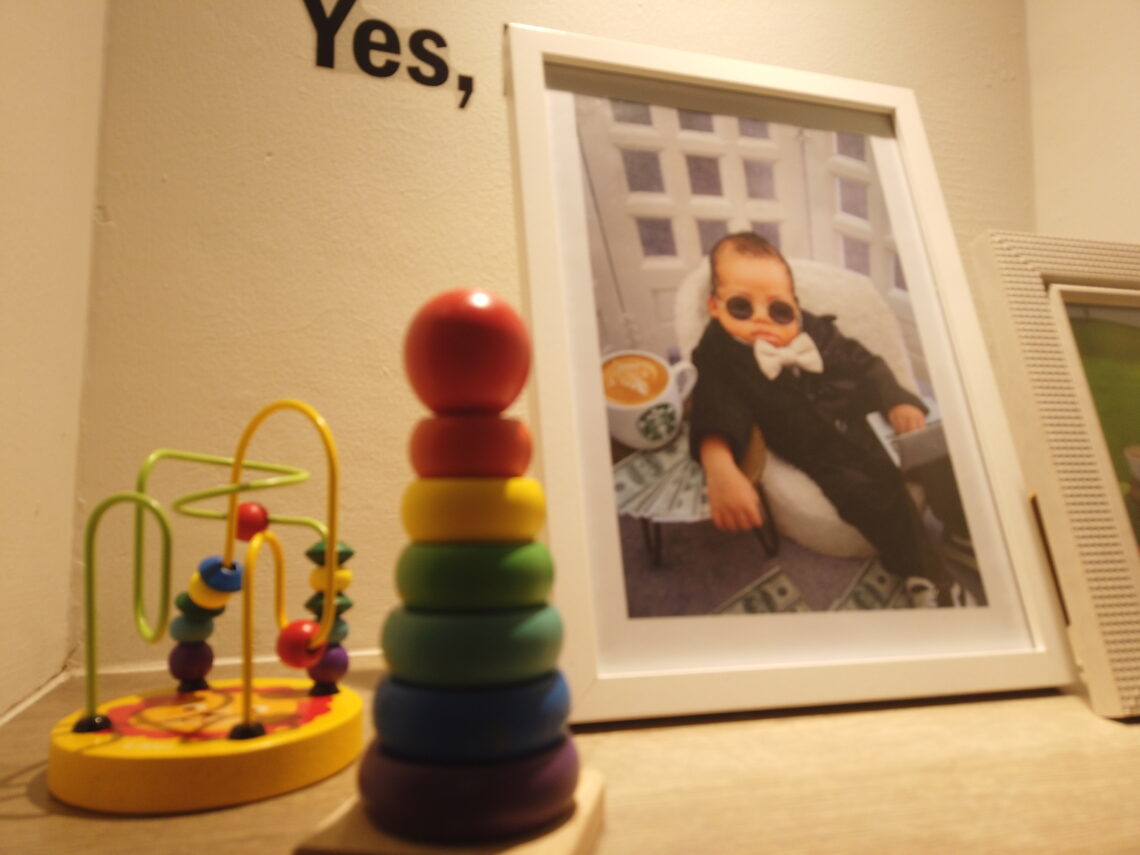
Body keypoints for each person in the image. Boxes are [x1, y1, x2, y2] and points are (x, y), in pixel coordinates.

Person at [688, 232, 978, 606]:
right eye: (742, 307)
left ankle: (960, 532)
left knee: (942, 453)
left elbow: (864, 362)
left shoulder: (813, 328)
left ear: (794, 304)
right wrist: (719, 465)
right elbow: (715, 401)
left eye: (778, 311)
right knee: (877, 498)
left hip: (868, 417)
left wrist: (896, 402)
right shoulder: (718, 354)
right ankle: (924, 574)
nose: (763, 321)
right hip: (821, 449)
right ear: (715, 306)